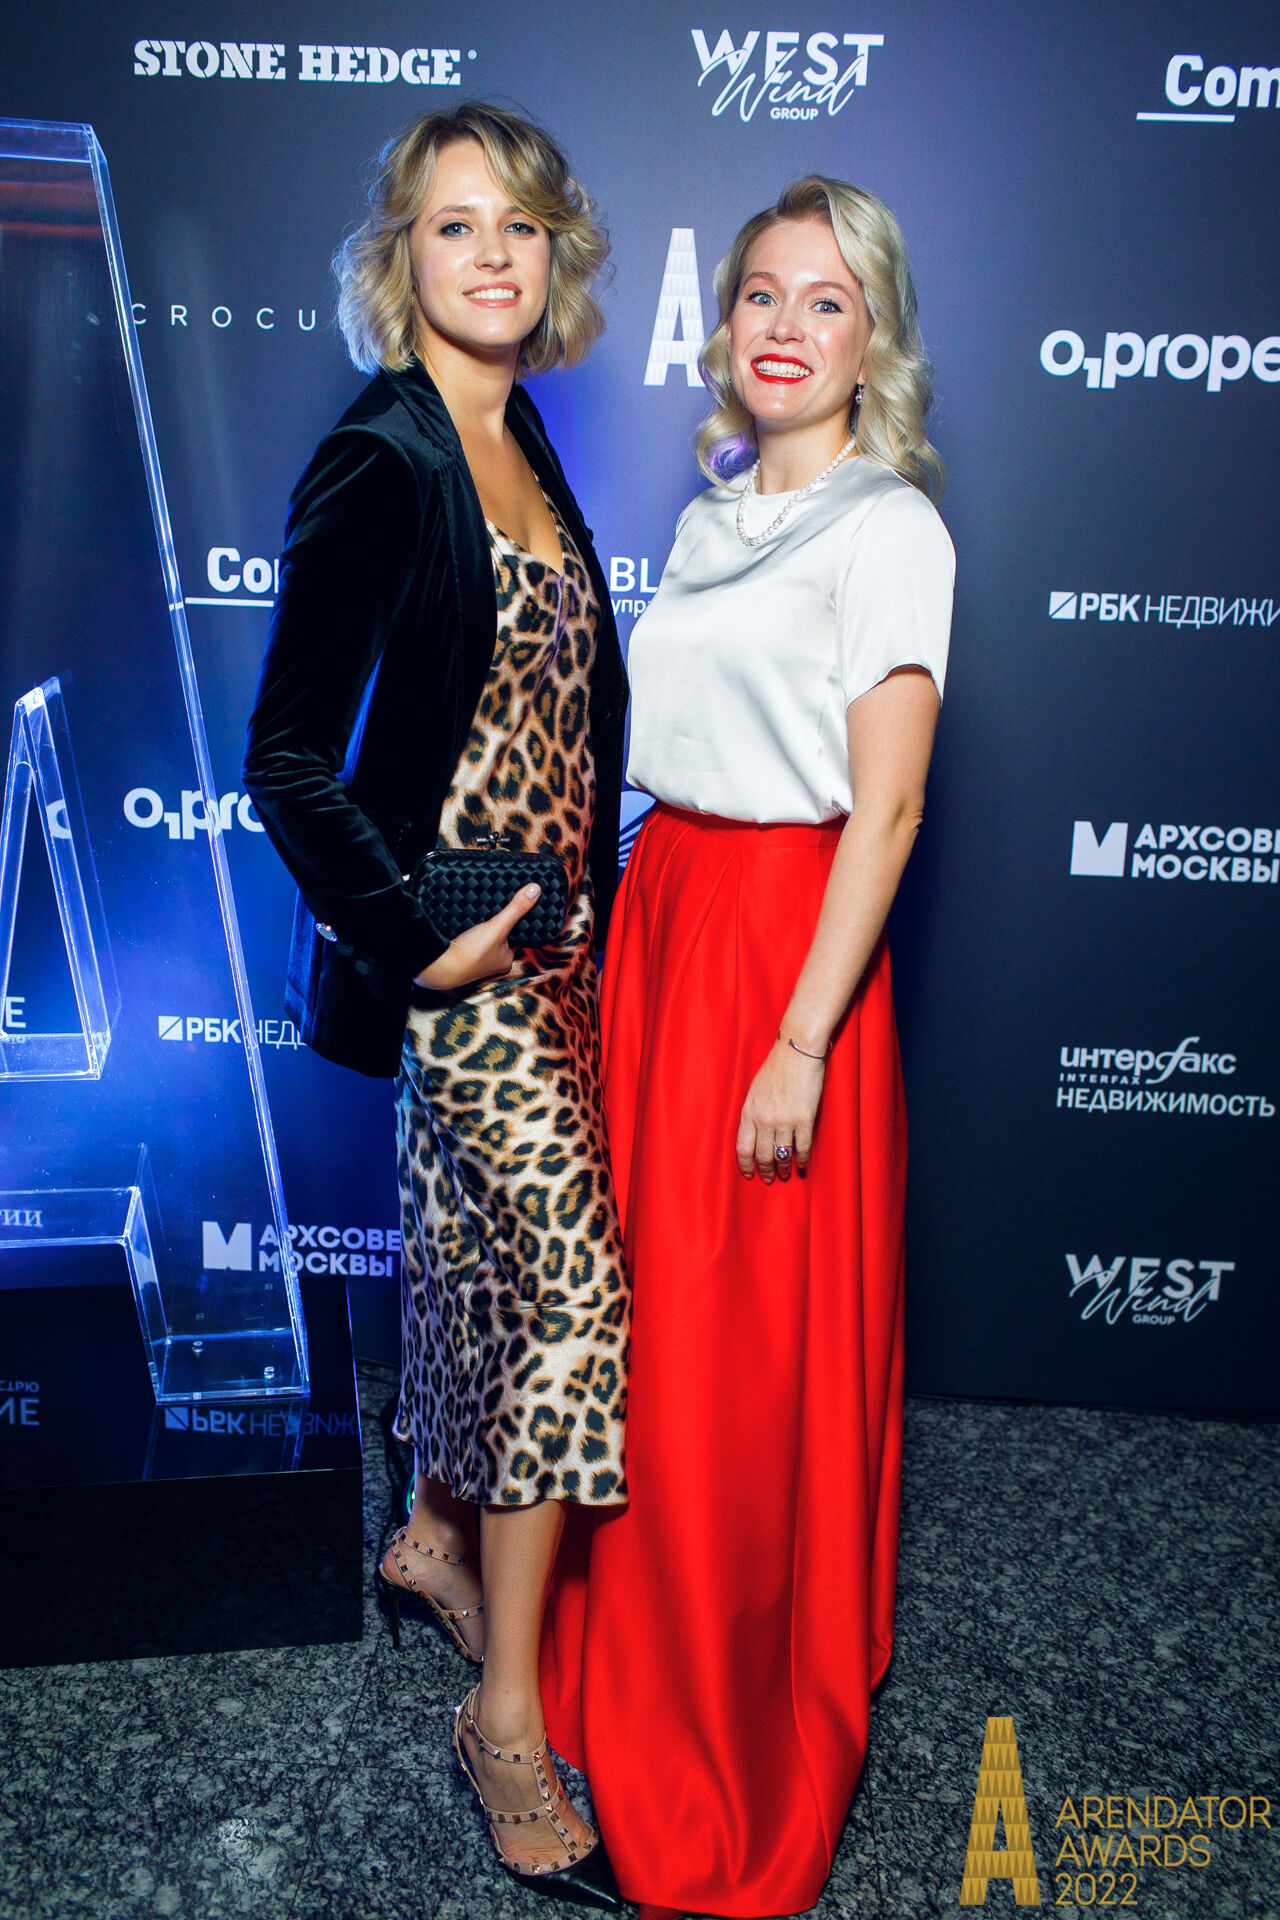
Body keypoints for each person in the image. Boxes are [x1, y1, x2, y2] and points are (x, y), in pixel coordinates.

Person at [540, 175, 955, 1918]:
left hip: (784, 957)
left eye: (826, 300)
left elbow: (889, 808)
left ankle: (726, 1735)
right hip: (670, 923)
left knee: (737, 1358)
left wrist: (800, 1039)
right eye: (761, 295)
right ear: (723, 329)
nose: (785, 326)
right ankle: (615, 1659)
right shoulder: (716, 515)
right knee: (653, 1330)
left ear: (874, 341)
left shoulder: (891, 528)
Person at [243, 103, 628, 1910]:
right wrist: (416, 943)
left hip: (559, 954)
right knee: (568, 1296)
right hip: (465, 961)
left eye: (519, 226)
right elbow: (287, 753)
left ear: (555, 257)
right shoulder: (386, 454)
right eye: (454, 223)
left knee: (477, 1264)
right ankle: (506, 1722)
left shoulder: (518, 429)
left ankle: (429, 1536)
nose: (491, 254)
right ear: (399, 253)